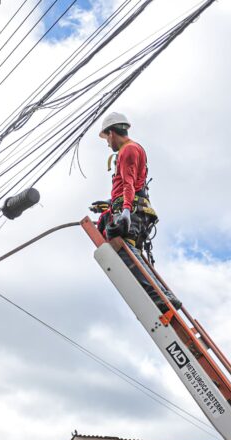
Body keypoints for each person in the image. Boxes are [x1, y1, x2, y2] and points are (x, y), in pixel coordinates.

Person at [96, 111, 181, 314]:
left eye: (107, 138)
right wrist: (109, 204)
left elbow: (128, 182)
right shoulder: (133, 150)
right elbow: (132, 184)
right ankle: (162, 294)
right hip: (133, 208)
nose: (108, 144)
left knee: (122, 250)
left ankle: (160, 296)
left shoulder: (128, 150)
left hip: (131, 211)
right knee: (132, 255)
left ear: (111, 133)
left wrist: (124, 211)